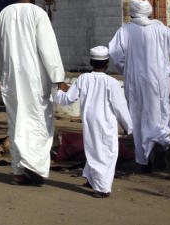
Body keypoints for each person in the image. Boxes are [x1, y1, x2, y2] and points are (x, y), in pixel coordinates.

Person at [0, 0, 65, 186]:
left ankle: (18, 172)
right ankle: (35, 167)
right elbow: (48, 48)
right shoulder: (37, 13)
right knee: (39, 122)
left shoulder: (4, 14)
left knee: (16, 124)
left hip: (11, 80)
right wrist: (58, 77)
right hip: (34, 80)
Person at [108, 0, 170, 171]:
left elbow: (114, 53)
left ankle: (143, 159)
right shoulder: (162, 29)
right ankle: (160, 143)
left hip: (135, 81)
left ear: (132, 13)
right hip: (159, 80)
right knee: (161, 113)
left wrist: (127, 67)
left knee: (138, 118)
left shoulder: (125, 31)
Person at [55, 46, 132, 197]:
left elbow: (67, 99)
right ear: (107, 63)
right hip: (106, 123)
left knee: (93, 150)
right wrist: (128, 126)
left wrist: (59, 90)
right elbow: (120, 107)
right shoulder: (113, 83)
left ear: (91, 62)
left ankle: (92, 180)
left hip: (90, 122)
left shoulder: (83, 79)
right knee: (105, 154)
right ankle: (102, 188)